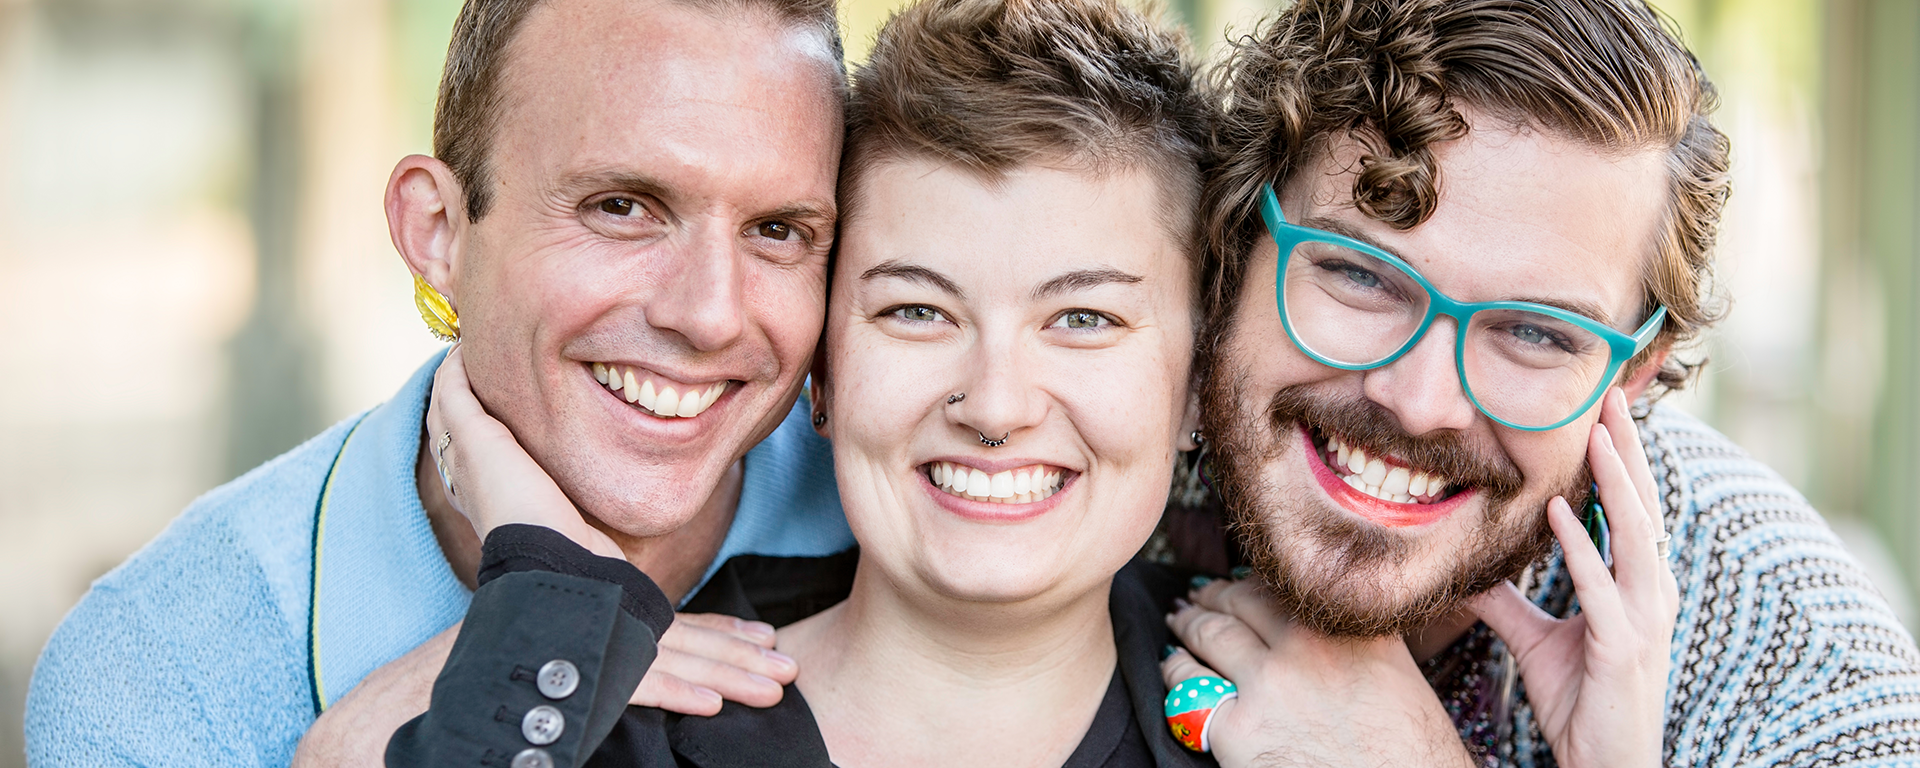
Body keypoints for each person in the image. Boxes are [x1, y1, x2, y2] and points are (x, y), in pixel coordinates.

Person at [314, 0, 1224, 764]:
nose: (994, 405)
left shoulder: (1287, 723)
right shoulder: (586, 722)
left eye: (1084, 321)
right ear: (823, 372)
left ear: (1196, 388)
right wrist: (552, 602)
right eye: (916, 311)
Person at [26, 0, 854, 763]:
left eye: (778, 230)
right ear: (438, 232)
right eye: (621, 206)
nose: (709, 315)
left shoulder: (907, 520)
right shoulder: (161, 674)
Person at [1158, 0, 1920, 766]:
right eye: (1360, 274)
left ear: (1632, 380)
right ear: (1233, 250)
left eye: (1535, 334)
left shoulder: (1808, 680)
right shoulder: (1091, 471)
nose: (1421, 403)